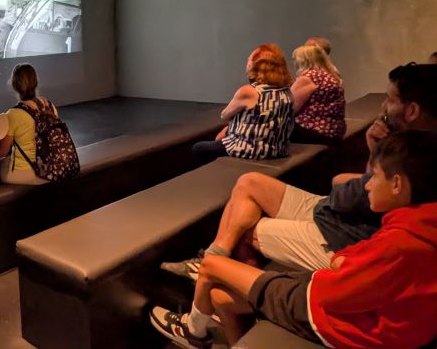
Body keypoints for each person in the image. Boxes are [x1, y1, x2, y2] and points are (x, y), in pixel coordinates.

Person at [150, 130, 437, 348]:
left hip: (326, 315)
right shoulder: (419, 224)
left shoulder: (403, 242)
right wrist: (343, 262)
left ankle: (192, 330)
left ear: (397, 184)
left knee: (213, 266)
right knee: (219, 297)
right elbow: (366, 262)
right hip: (344, 306)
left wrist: (336, 267)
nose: (368, 184)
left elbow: (331, 295)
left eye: (373, 177)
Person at [162, 63, 437, 279]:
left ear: (411, 110)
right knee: (249, 181)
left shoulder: (416, 159)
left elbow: (354, 198)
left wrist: (373, 153)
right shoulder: (409, 145)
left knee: (241, 227)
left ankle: (236, 290)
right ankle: (213, 261)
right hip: (335, 213)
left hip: (343, 236)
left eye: (390, 99)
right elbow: (359, 190)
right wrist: (372, 155)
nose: (384, 106)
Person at [192, 44, 294, 162]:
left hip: (251, 150)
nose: (247, 61)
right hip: (278, 149)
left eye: (249, 59)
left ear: (258, 66)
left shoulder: (249, 92)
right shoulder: (286, 91)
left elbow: (224, 115)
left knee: (198, 148)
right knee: (223, 135)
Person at [0, 64, 58, 185]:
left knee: (1, 164)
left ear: (14, 85)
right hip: (50, 169)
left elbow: (2, 152)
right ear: (36, 82)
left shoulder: (12, 114)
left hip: (24, 174)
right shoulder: (50, 106)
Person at [290, 44, 346, 145]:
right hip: (334, 130)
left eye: (296, 60)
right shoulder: (332, 75)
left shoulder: (308, 78)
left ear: (303, 60)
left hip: (314, 131)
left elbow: (290, 108)